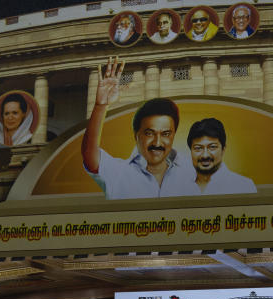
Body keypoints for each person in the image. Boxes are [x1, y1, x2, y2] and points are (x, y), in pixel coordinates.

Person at [81, 57, 195, 199]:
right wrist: (100, 106)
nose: (157, 142)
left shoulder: (193, 173)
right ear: (136, 135)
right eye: (149, 133)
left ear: (173, 135)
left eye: (165, 133)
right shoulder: (119, 172)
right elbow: (89, 155)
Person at [186, 118, 257, 195]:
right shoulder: (180, 186)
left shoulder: (244, 186)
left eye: (212, 147)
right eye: (198, 148)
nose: (205, 155)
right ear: (191, 151)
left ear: (223, 149)